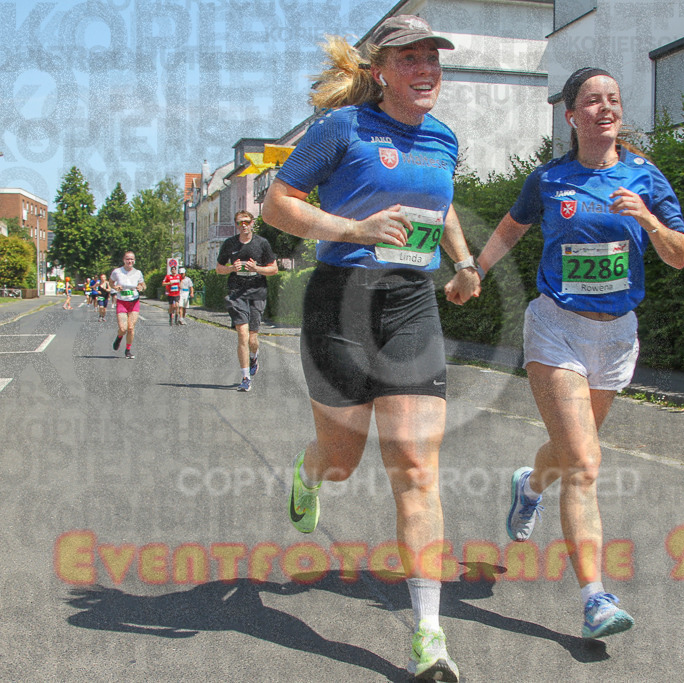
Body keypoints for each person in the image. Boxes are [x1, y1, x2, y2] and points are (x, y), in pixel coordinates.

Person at [261, 15, 479, 682]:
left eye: (433, 58)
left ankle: (429, 633)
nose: (425, 69)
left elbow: (438, 207)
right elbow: (277, 204)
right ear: (380, 71)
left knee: (415, 464)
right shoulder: (341, 129)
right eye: (409, 59)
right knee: (343, 457)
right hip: (341, 298)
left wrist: (463, 263)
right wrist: (354, 225)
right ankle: (309, 470)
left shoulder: (443, 139)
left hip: (410, 301)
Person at [475, 67, 684, 640]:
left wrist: (644, 218)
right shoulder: (550, 178)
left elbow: (679, 255)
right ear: (570, 116)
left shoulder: (646, 177)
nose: (605, 108)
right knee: (585, 464)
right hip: (556, 329)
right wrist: (474, 269)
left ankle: (528, 486)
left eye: (613, 100)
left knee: (571, 451)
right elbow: (513, 227)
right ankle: (596, 598)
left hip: (616, 336)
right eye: (592, 101)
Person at [215, 210, 278, 391]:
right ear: (236, 225)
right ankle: (245, 377)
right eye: (239, 223)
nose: (243, 225)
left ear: (252, 223)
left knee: (252, 337)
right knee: (242, 334)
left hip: (257, 290)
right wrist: (231, 269)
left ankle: (254, 356)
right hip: (236, 292)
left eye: (246, 222)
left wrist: (256, 268)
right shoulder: (229, 244)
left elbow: (273, 269)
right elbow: (219, 268)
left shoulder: (262, 243)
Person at [110, 251, 146, 359]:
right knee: (123, 328)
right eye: (127, 259)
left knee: (130, 328)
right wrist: (115, 287)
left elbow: (143, 284)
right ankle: (119, 337)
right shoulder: (117, 272)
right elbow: (111, 282)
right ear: (124, 260)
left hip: (134, 302)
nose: (129, 261)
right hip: (122, 302)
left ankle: (128, 350)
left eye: (131, 259)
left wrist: (141, 287)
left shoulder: (138, 272)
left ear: (134, 260)